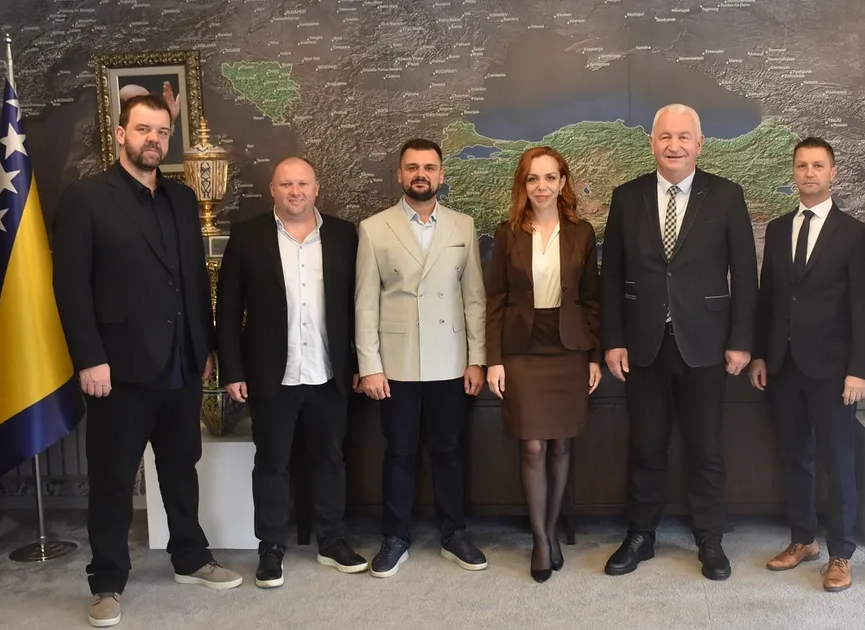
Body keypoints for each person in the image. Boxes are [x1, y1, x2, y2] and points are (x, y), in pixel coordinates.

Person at [51, 94, 242, 628]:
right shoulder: (87, 198)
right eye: (143, 130)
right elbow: (70, 287)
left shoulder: (181, 198)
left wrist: (204, 348)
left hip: (181, 363)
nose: (153, 139)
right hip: (117, 369)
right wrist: (89, 358)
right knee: (113, 478)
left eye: (161, 131)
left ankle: (190, 558)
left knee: (181, 467)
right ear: (120, 134)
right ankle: (107, 581)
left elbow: (191, 280)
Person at [600, 103, 757, 581]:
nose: (674, 146)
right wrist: (613, 340)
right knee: (646, 445)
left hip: (707, 345)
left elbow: (745, 275)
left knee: (706, 447)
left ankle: (710, 539)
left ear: (699, 144)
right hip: (643, 344)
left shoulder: (726, 195)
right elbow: (612, 276)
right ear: (652, 143)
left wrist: (741, 340)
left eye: (683, 137)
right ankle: (640, 535)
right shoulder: (627, 197)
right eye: (665, 137)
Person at [215, 156, 368, 588]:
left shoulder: (343, 235)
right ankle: (271, 547)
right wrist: (232, 370)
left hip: (328, 372)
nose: (295, 191)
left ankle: (332, 540)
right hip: (270, 375)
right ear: (273, 190)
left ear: (316, 188)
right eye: (286, 184)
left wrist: (360, 364)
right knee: (271, 464)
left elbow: (359, 306)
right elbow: (228, 309)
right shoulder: (248, 235)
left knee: (330, 459)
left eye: (302, 183)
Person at [355, 138, 489, 577]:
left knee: (450, 451)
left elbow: (474, 299)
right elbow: (365, 304)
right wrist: (369, 366)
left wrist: (477, 359)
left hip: (451, 360)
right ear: (399, 174)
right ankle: (395, 537)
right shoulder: (374, 228)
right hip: (397, 363)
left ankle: (454, 534)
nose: (421, 174)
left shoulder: (463, 226)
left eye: (429, 167)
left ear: (441, 175)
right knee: (400, 453)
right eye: (412, 167)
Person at [749, 137, 865, 592]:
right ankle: (803, 539)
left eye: (818, 165)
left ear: (832, 172)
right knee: (795, 456)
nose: (809, 173)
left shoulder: (854, 233)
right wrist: (760, 354)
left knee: (838, 461)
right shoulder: (778, 229)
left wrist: (859, 370)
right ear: (794, 172)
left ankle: (841, 552)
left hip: (834, 370)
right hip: (783, 366)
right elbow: (768, 298)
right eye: (802, 166)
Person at [484, 147, 603, 583]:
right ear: (523, 184)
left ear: (563, 182)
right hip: (522, 349)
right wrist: (493, 360)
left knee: (561, 445)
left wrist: (594, 356)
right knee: (533, 445)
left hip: (569, 348)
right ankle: (539, 539)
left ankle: (552, 531)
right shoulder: (507, 233)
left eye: (550, 178)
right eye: (533, 178)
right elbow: (495, 300)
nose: (542, 186)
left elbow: (592, 300)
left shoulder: (581, 233)